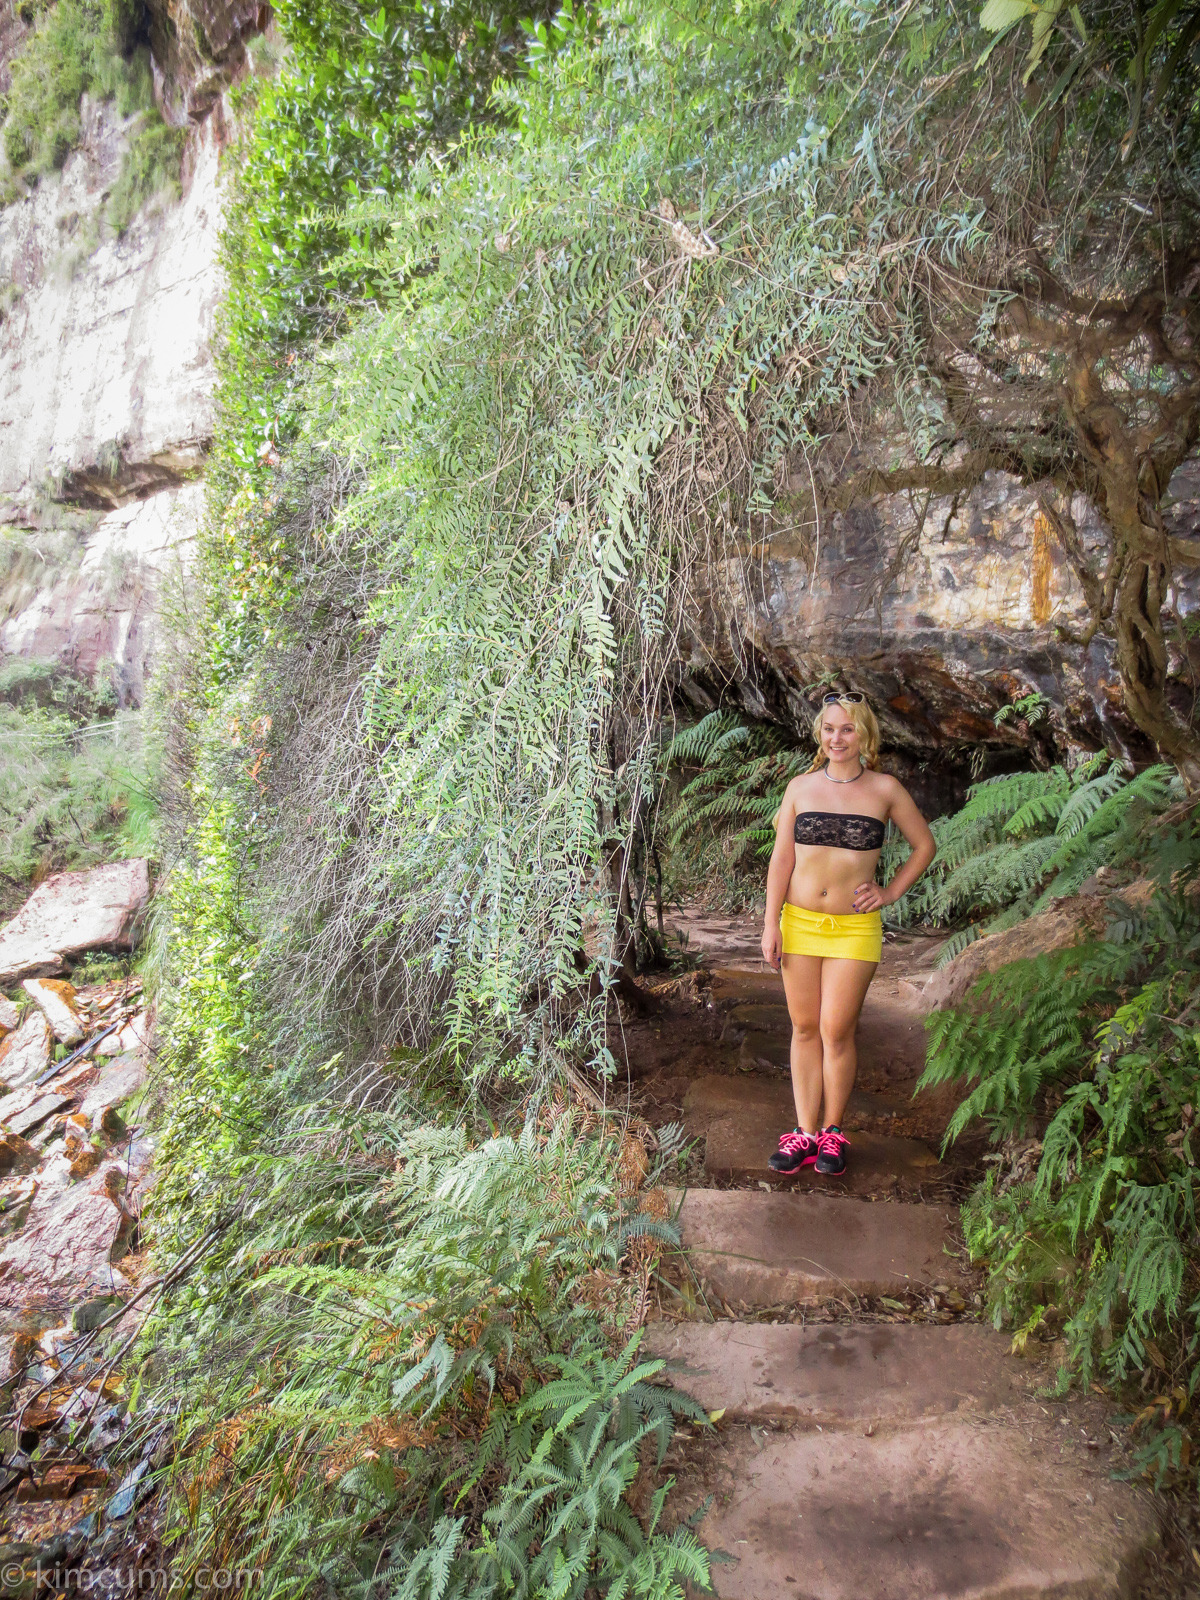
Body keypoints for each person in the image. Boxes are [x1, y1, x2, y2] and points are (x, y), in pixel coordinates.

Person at [760, 692, 936, 1176]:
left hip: (854, 929)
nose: (837, 738)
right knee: (803, 1027)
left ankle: (833, 1131)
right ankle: (804, 1133)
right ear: (820, 734)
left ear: (865, 735)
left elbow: (924, 845)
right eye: (830, 728)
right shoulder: (800, 788)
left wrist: (890, 892)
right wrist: (770, 922)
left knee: (836, 1030)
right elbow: (781, 860)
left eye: (848, 729)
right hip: (798, 923)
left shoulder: (885, 790)